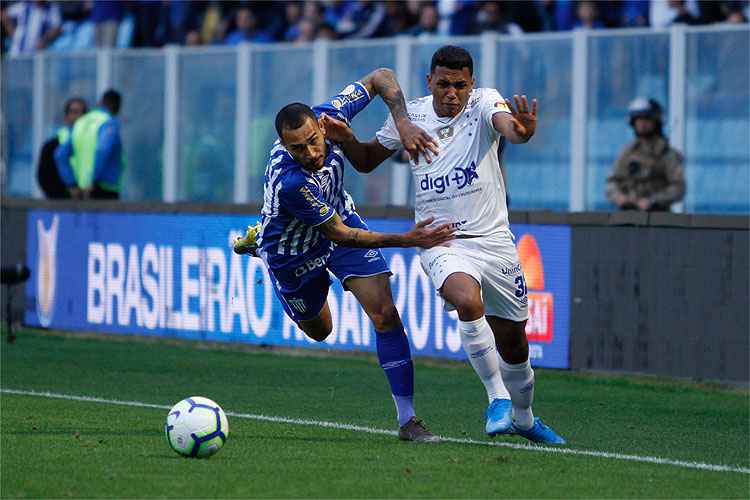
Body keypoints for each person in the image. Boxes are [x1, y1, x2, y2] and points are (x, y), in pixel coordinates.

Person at [321, 45, 566, 445]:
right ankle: (497, 400)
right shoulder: (411, 115)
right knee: (467, 301)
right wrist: (348, 137)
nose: (452, 93)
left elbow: (510, 128)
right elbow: (365, 161)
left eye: (460, 85)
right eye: (444, 84)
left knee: (514, 342)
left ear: (472, 84)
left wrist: (522, 131)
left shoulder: (484, 102)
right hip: (441, 239)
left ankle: (524, 418)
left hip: (494, 241)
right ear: (429, 82)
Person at [233, 68, 453, 442]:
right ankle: (261, 244)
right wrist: (408, 239)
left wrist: (401, 122)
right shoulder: (292, 183)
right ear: (284, 147)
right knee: (321, 331)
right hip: (294, 251)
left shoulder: (332, 113)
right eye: (297, 149)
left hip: (339, 217)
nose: (311, 153)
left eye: (313, 141)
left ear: (321, 124)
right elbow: (342, 235)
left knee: (384, 312)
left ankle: (408, 420)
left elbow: (381, 77)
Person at [607, 97, 686, 212]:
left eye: (647, 119)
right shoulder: (627, 152)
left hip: (658, 218)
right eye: (638, 119)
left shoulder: (667, 153)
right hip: (628, 217)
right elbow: (612, 182)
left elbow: (679, 188)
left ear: (656, 121)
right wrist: (620, 198)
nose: (642, 123)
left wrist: (654, 200)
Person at [55, 89, 125, 200]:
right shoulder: (108, 122)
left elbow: (60, 155)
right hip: (104, 188)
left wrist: (71, 184)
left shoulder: (81, 123)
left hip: (81, 191)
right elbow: (102, 150)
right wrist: (93, 180)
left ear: (100, 102)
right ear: (117, 107)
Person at [37, 97, 87, 199]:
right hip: (61, 204)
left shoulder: (92, 144)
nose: (79, 116)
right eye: (74, 112)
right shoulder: (51, 146)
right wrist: (69, 192)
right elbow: (44, 178)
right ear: (66, 117)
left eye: (82, 113)